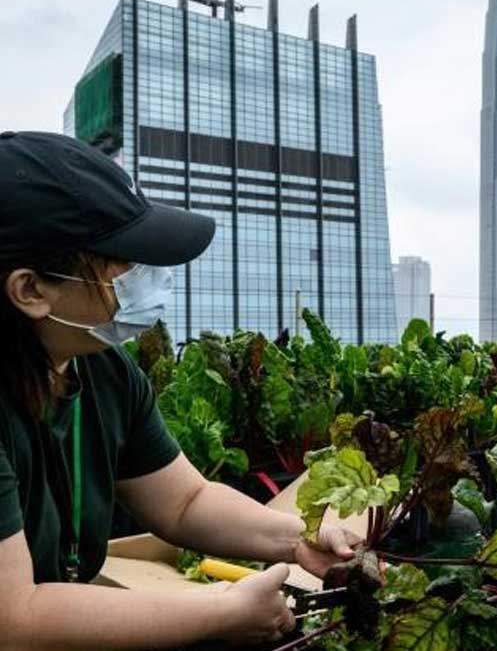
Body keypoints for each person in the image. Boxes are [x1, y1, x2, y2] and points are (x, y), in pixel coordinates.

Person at [0, 132, 360, 648]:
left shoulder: (103, 370)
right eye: (123, 263)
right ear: (31, 290)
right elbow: (15, 619)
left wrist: (299, 537)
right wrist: (222, 609)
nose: (145, 277)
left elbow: (184, 502)